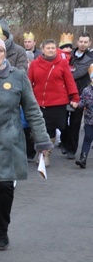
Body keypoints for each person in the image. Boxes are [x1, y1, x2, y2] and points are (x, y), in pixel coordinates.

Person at [0, 28, 52, 251]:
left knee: (5, 188)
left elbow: (33, 110)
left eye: (0, 51)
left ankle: (2, 231)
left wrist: (42, 141)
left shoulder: (18, 77)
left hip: (9, 142)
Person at [27, 38, 80, 166]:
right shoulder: (34, 64)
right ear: (43, 50)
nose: (51, 50)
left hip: (57, 102)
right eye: (48, 48)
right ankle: (39, 151)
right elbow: (28, 83)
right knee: (37, 129)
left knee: (50, 129)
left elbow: (69, 82)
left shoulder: (62, 63)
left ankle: (46, 155)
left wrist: (75, 97)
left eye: (52, 48)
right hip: (38, 102)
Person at [62, 33, 93, 159]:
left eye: (86, 42)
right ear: (77, 41)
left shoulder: (90, 58)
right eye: (81, 41)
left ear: (89, 43)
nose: (83, 44)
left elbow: (78, 73)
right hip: (64, 92)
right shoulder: (69, 55)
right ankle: (65, 143)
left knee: (75, 123)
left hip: (80, 94)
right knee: (62, 121)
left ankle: (72, 149)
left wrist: (66, 72)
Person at [76, 65, 93, 168]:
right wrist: (77, 104)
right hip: (89, 120)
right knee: (87, 137)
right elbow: (82, 102)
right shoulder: (87, 90)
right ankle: (83, 158)